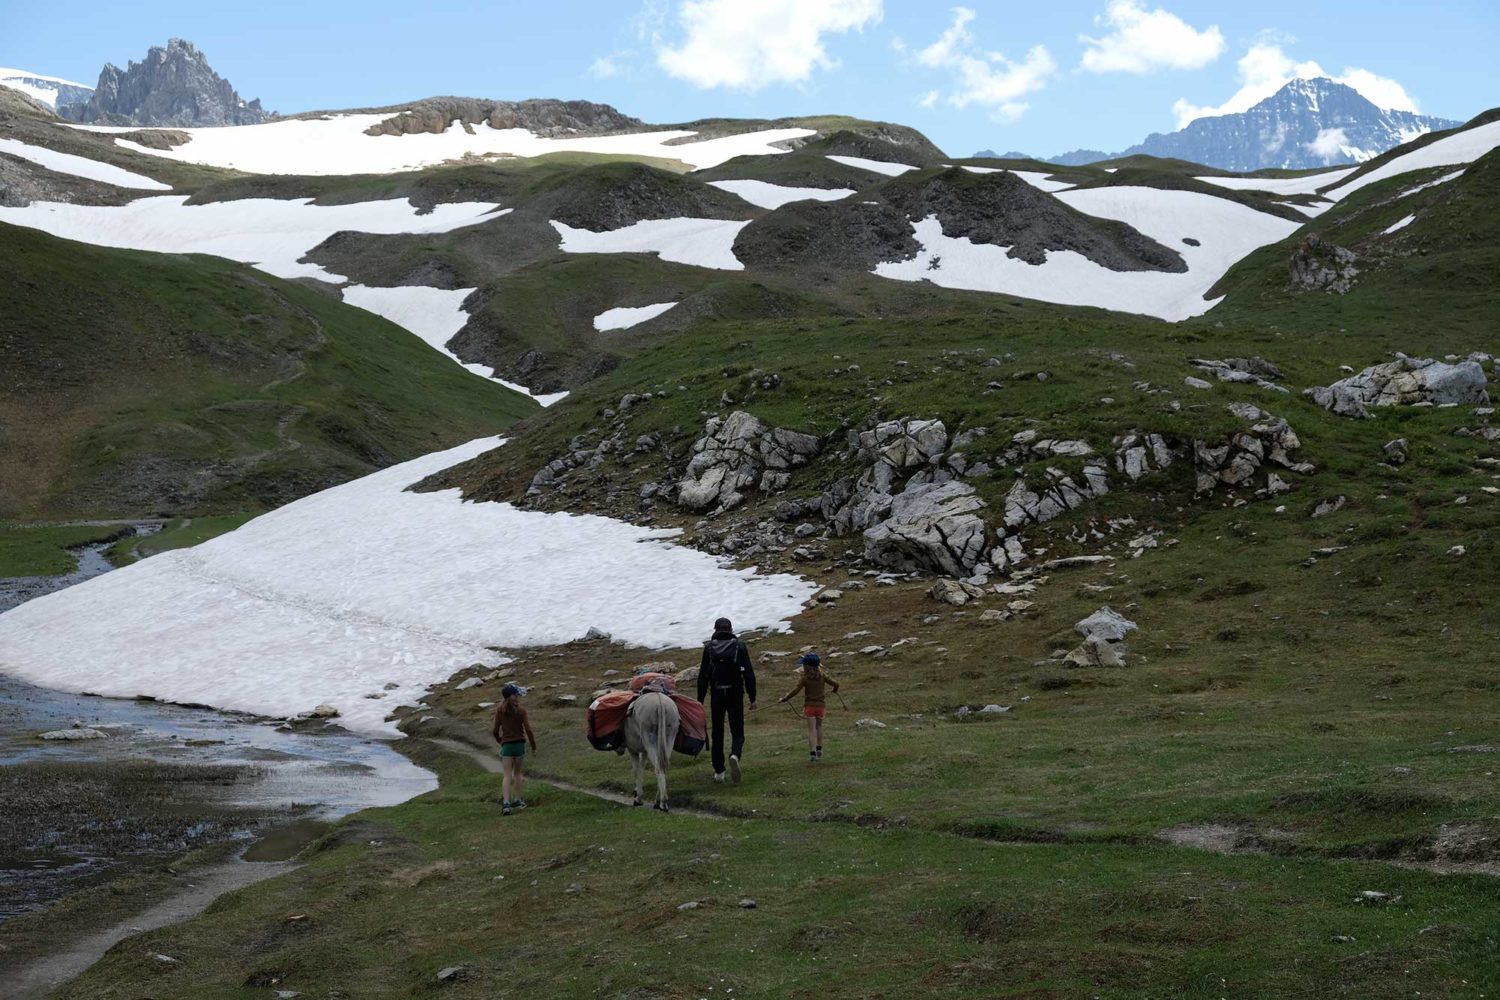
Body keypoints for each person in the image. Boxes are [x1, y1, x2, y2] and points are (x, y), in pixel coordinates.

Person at [697, 616, 756, 784]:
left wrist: (700, 700)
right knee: (737, 731)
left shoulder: (709, 648)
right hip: (735, 693)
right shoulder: (740, 647)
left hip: (716, 694)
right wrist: (753, 698)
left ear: (715, 630)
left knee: (717, 732)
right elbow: (749, 674)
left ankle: (719, 771)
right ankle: (735, 755)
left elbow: (703, 676)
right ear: (730, 630)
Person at [778, 652, 839, 762]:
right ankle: (819, 750)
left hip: (809, 707)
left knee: (811, 730)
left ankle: (812, 754)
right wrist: (835, 690)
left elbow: (795, 691)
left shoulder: (805, 678)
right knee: (819, 728)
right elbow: (836, 684)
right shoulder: (823, 676)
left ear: (806, 666)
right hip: (821, 707)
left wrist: (784, 699)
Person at [491, 683, 537, 815]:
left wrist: (500, 741)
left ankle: (506, 803)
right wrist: (534, 746)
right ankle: (518, 799)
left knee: (506, 775)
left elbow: (495, 731)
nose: (518, 696)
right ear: (513, 697)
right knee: (517, 773)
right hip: (519, 746)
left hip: (507, 745)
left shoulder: (500, 711)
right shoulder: (521, 711)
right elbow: (528, 730)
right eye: (516, 694)